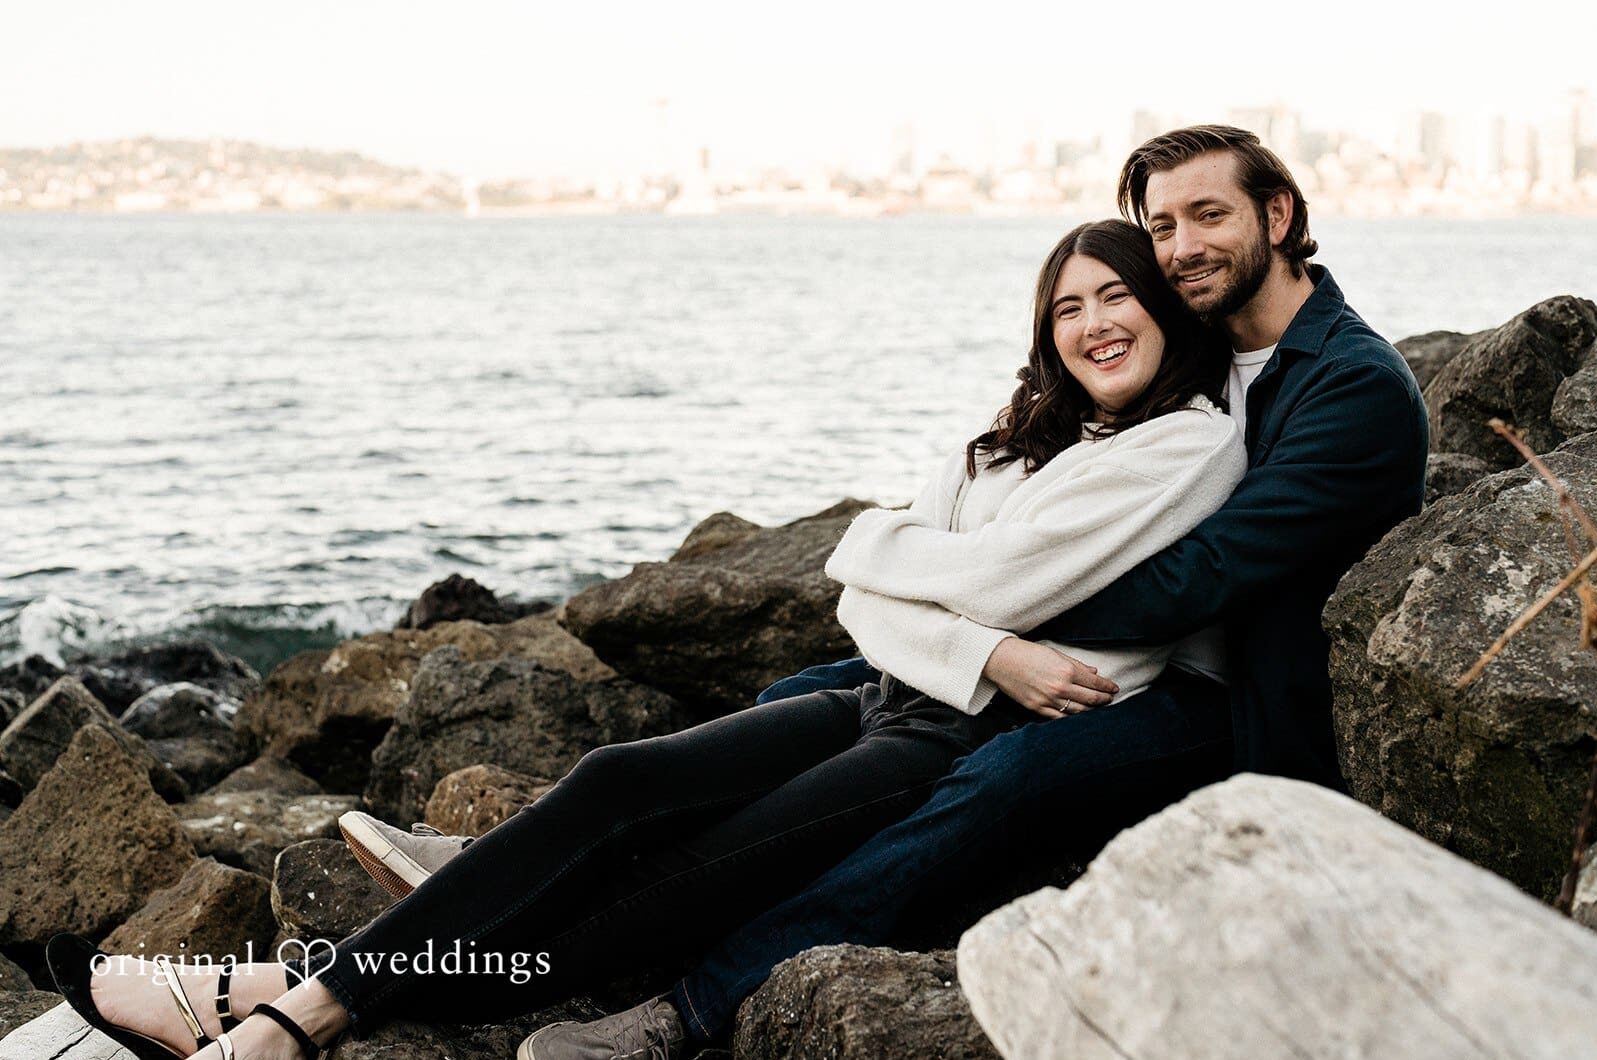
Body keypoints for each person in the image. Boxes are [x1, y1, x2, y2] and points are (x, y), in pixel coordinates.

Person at [48, 217, 1246, 1060]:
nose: (1092, 323)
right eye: (1067, 304)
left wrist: (925, 591)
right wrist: (973, 634)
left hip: (955, 737)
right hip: (898, 686)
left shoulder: (1186, 446)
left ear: (1165, 309)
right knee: (618, 780)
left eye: (1116, 296)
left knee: (664, 890)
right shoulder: (1015, 435)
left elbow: (982, 570)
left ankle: (285, 1012)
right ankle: (297, 986)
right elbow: (861, 579)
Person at [532, 124, 1430, 1056]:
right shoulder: (1187, 341)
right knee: (812, 694)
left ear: (1278, 215)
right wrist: (975, 625)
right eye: (1161, 227)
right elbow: (1031, 498)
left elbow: (1194, 581)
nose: (1182, 247)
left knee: (997, 779)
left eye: (1209, 216)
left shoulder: (1347, 384)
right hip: (1103, 649)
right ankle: (535, 875)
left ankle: (692, 1006)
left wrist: (978, 613)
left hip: (1223, 694)